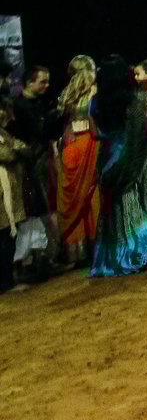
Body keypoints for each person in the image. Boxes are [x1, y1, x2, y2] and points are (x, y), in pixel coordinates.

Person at [90, 55, 147, 276]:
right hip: (142, 154)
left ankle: (122, 254)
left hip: (110, 157)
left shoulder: (95, 103)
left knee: (119, 207)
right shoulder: (142, 98)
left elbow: (95, 133)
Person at [9, 66, 61, 278]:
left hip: (41, 159)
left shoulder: (37, 104)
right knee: (36, 210)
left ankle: (44, 257)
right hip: (30, 164)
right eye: (42, 82)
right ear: (29, 82)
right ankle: (32, 260)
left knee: (44, 209)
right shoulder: (18, 106)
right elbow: (36, 133)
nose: (47, 86)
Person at [55, 54, 100, 268]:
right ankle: (97, 246)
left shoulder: (66, 94)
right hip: (90, 143)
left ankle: (77, 252)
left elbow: (64, 124)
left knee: (73, 197)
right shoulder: (94, 90)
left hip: (70, 147)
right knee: (93, 196)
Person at [0, 99, 31, 293]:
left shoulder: (3, 133)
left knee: (7, 237)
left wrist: (15, 149)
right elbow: (9, 154)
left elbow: (24, 148)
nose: (4, 113)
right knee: (3, 237)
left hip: (9, 189)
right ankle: (5, 282)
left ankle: (7, 279)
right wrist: (15, 149)